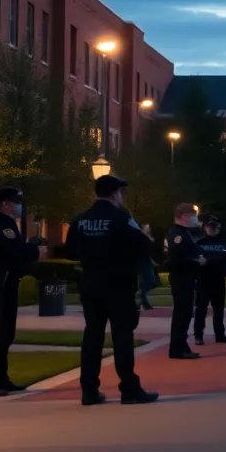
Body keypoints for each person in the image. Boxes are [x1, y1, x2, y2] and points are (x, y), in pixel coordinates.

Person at [65, 174, 159, 406]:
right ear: (115, 193)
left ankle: (89, 390)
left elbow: (70, 251)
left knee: (92, 336)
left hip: (91, 283)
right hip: (118, 284)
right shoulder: (122, 218)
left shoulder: (81, 220)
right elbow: (144, 246)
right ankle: (129, 388)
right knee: (122, 337)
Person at [0, 186, 44, 397]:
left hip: (1, 280)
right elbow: (15, 252)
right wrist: (35, 251)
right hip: (1, 282)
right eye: (16, 202)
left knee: (4, 333)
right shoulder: (3, 227)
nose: (19, 206)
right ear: (5, 204)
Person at [165, 203, 207, 359]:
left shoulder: (184, 233)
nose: (195, 218)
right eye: (193, 215)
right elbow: (177, 258)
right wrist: (196, 261)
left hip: (186, 277)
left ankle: (182, 345)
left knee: (186, 313)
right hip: (181, 277)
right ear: (183, 216)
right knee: (182, 313)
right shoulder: (177, 234)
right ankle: (177, 349)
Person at [193, 216, 226, 346]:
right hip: (203, 280)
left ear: (218, 228)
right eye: (209, 227)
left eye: (214, 227)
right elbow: (194, 260)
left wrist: (222, 269)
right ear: (205, 227)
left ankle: (220, 335)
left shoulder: (225, 243)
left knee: (219, 309)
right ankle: (198, 336)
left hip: (218, 279)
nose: (212, 229)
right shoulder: (198, 243)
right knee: (201, 309)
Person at [137, 223, 159, 311]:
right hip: (143, 262)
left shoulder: (148, 238)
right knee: (149, 281)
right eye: (146, 227)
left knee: (153, 281)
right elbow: (144, 251)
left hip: (148, 261)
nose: (148, 228)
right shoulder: (141, 238)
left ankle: (142, 299)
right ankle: (142, 299)